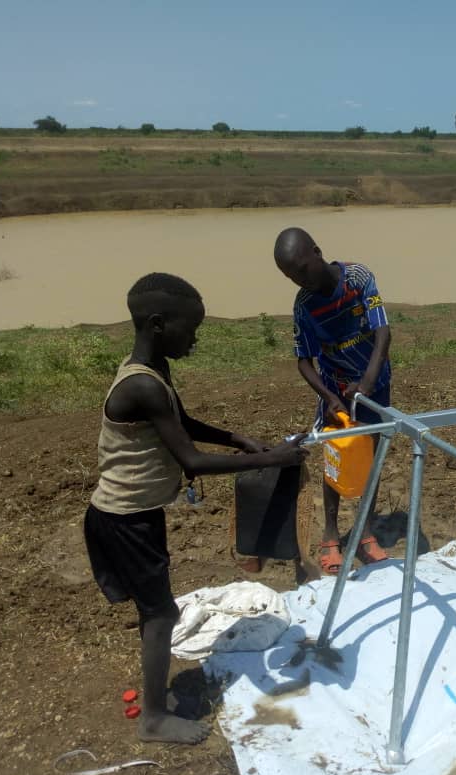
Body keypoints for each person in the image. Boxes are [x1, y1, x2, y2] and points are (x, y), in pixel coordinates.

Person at [84, 272, 308, 745]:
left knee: (155, 609)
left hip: (134, 515)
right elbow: (190, 459)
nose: (196, 338)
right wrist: (273, 458)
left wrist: (237, 439)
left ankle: (155, 701)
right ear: (159, 324)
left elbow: (180, 422)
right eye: (192, 328)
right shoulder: (141, 385)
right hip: (125, 520)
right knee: (161, 613)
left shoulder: (152, 373)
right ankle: (152, 718)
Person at [274, 227, 392, 573]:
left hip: (374, 383)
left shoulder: (358, 278)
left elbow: (383, 332)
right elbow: (303, 360)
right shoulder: (305, 306)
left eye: (302, 268)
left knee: (370, 455)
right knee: (336, 458)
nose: (300, 279)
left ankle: (367, 533)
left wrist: (368, 384)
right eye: (290, 275)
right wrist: (328, 396)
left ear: (317, 251)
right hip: (336, 389)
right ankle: (330, 535)